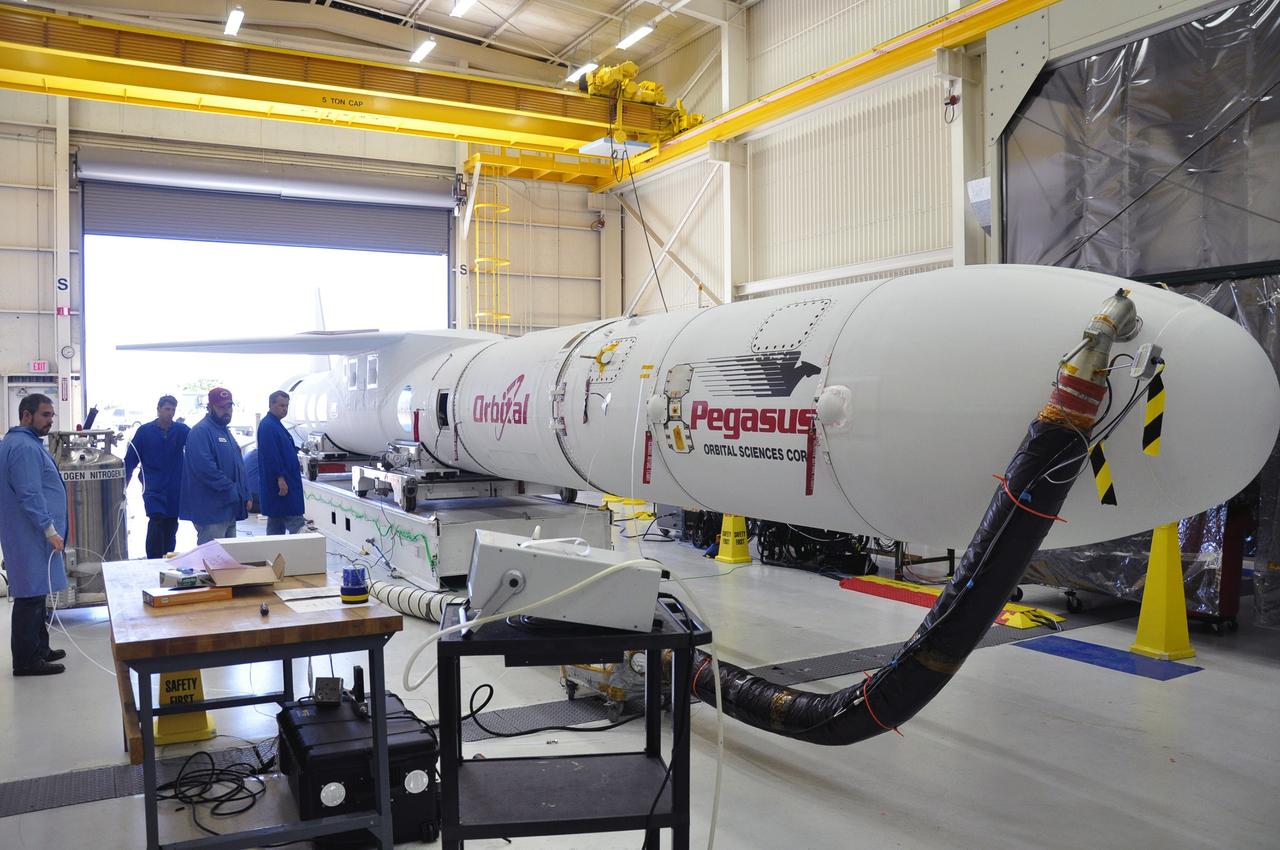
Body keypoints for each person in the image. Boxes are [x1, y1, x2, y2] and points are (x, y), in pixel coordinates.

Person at [0, 394, 68, 676]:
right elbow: (29, 493)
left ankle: (41, 648)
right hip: (30, 533)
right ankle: (26, 661)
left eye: (51, 415)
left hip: (28, 533)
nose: (50, 420)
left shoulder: (21, 443)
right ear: (26, 416)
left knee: (37, 591)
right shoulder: (24, 448)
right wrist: (49, 529)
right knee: (29, 595)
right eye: (45, 415)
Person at [179, 387, 250, 545]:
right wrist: (233, 490)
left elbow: (237, 464)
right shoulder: (200, 432)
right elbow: (205, 469)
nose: (227, 411)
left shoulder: (225, 431)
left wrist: (245, 493)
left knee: (228, 561)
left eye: (229, 406)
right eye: (221, 407)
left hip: (229, 508)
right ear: (210, 408)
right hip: (211, 510)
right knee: (212, 561)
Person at [124, 394, 190, 559]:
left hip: (174, 488)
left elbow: (198, 446)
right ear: (158, 409)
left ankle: (168, 559)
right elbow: (130, 460)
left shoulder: (181, 431)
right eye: (167, 409)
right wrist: (123, 485)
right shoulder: (145, 432)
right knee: (157, 521)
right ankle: (153, 560)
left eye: (173, 410)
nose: (170, 413)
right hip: (153, 488)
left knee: (171, 524)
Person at [256, 390, 306, 535]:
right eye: (281, 405)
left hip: (284, 484)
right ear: (271, 405)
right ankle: (303, 555)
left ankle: (274, 554)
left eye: (286, 406)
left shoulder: (275, 425)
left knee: (276, 524)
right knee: (296, 524)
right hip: (282, 487)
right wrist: (280, 478)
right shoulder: (269, 426)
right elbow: (271, 456)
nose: (284, 409)